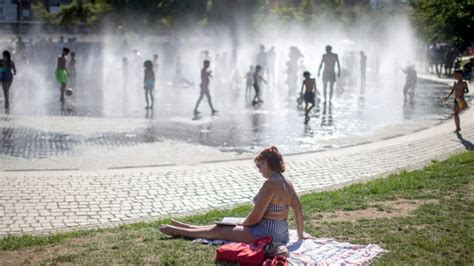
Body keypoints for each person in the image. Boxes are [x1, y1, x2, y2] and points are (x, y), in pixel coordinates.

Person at [159, 146, 305, 244]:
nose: (259, 170)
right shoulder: (287, 182)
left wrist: (241, 223)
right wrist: (300, 236)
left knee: (221, 230)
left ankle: (176, 231)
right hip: (281, 234)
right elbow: (298, 209)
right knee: (224, 224)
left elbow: (255, 217)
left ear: (268, 162)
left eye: (260, 166)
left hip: (266, 234)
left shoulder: (270, 185)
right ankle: (189, 227)